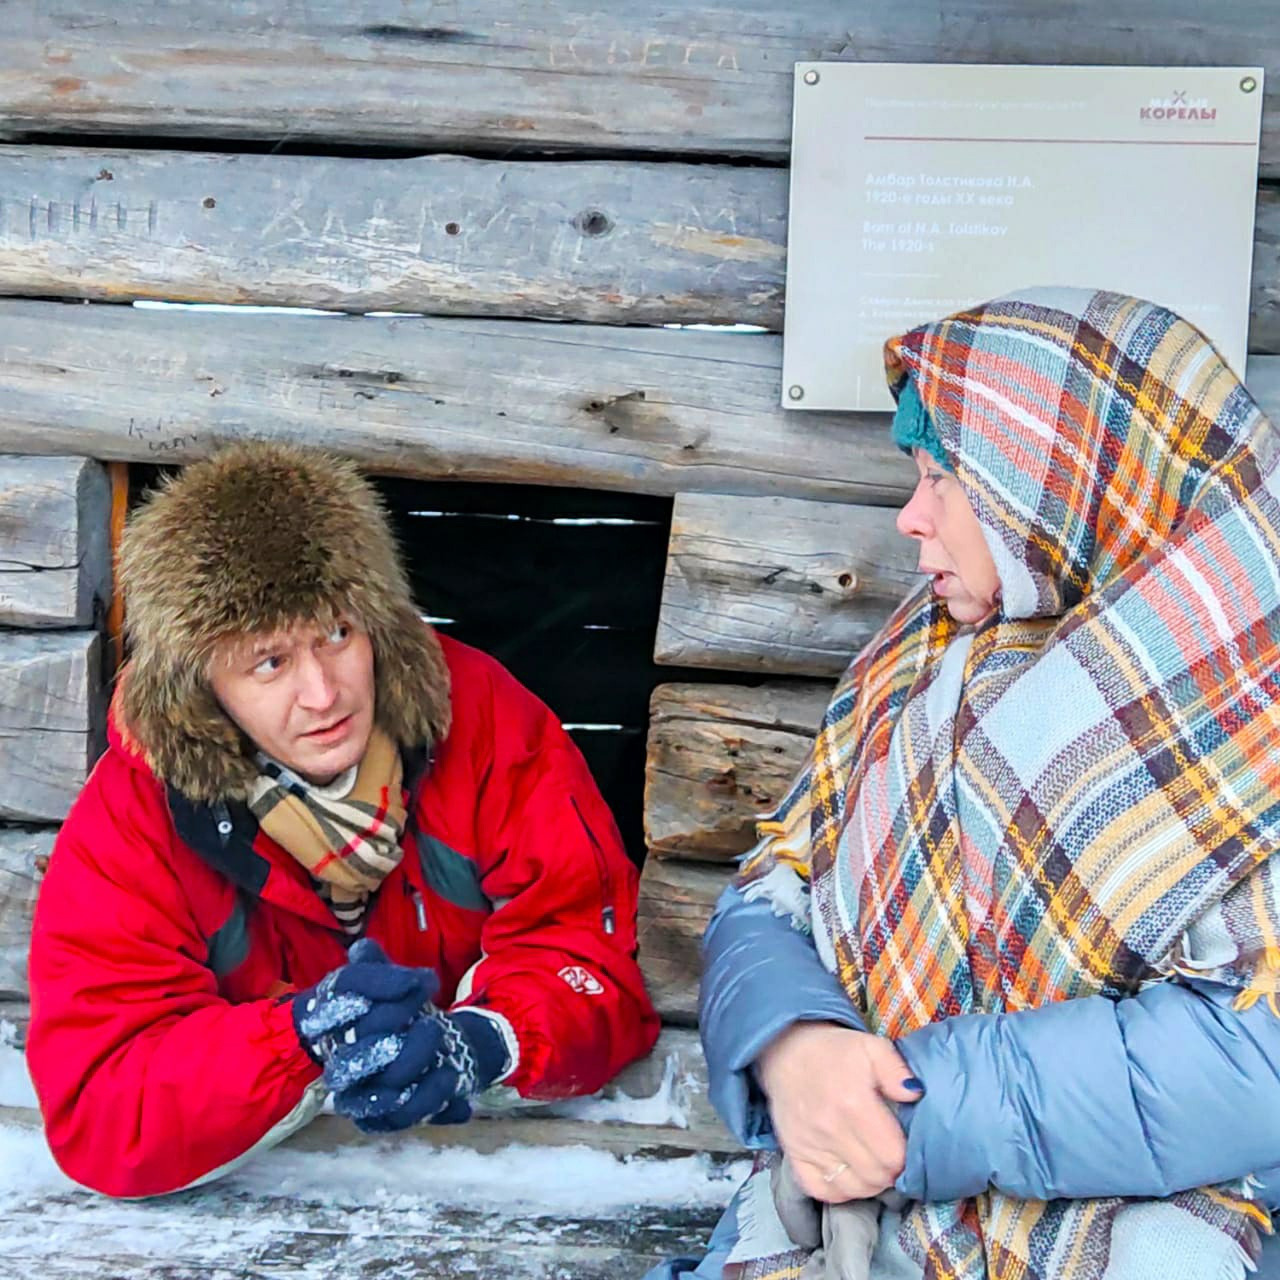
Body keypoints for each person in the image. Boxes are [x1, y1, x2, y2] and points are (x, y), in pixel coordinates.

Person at [653, 288, 1280, 1280]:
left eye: (944, 477)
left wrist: (906, 1109)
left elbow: (1254, 1060)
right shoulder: (918, 659)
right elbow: (771, 889)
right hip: (861, 1197)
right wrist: (791, 1041)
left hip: (1152, 1229)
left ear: (1063, 479)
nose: (910, 516)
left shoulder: (1247, 695)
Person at [26, 441, 659, 1198]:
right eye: (269, 661)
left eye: (336, 634)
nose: (323, 693)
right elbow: (103, 1103)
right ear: (202, 687)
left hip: (497, 1179)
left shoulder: (485, 719)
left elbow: (590, 953)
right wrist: (302, 1038)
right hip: (262, 1212)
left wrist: (484, 1040)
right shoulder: (135, 814)